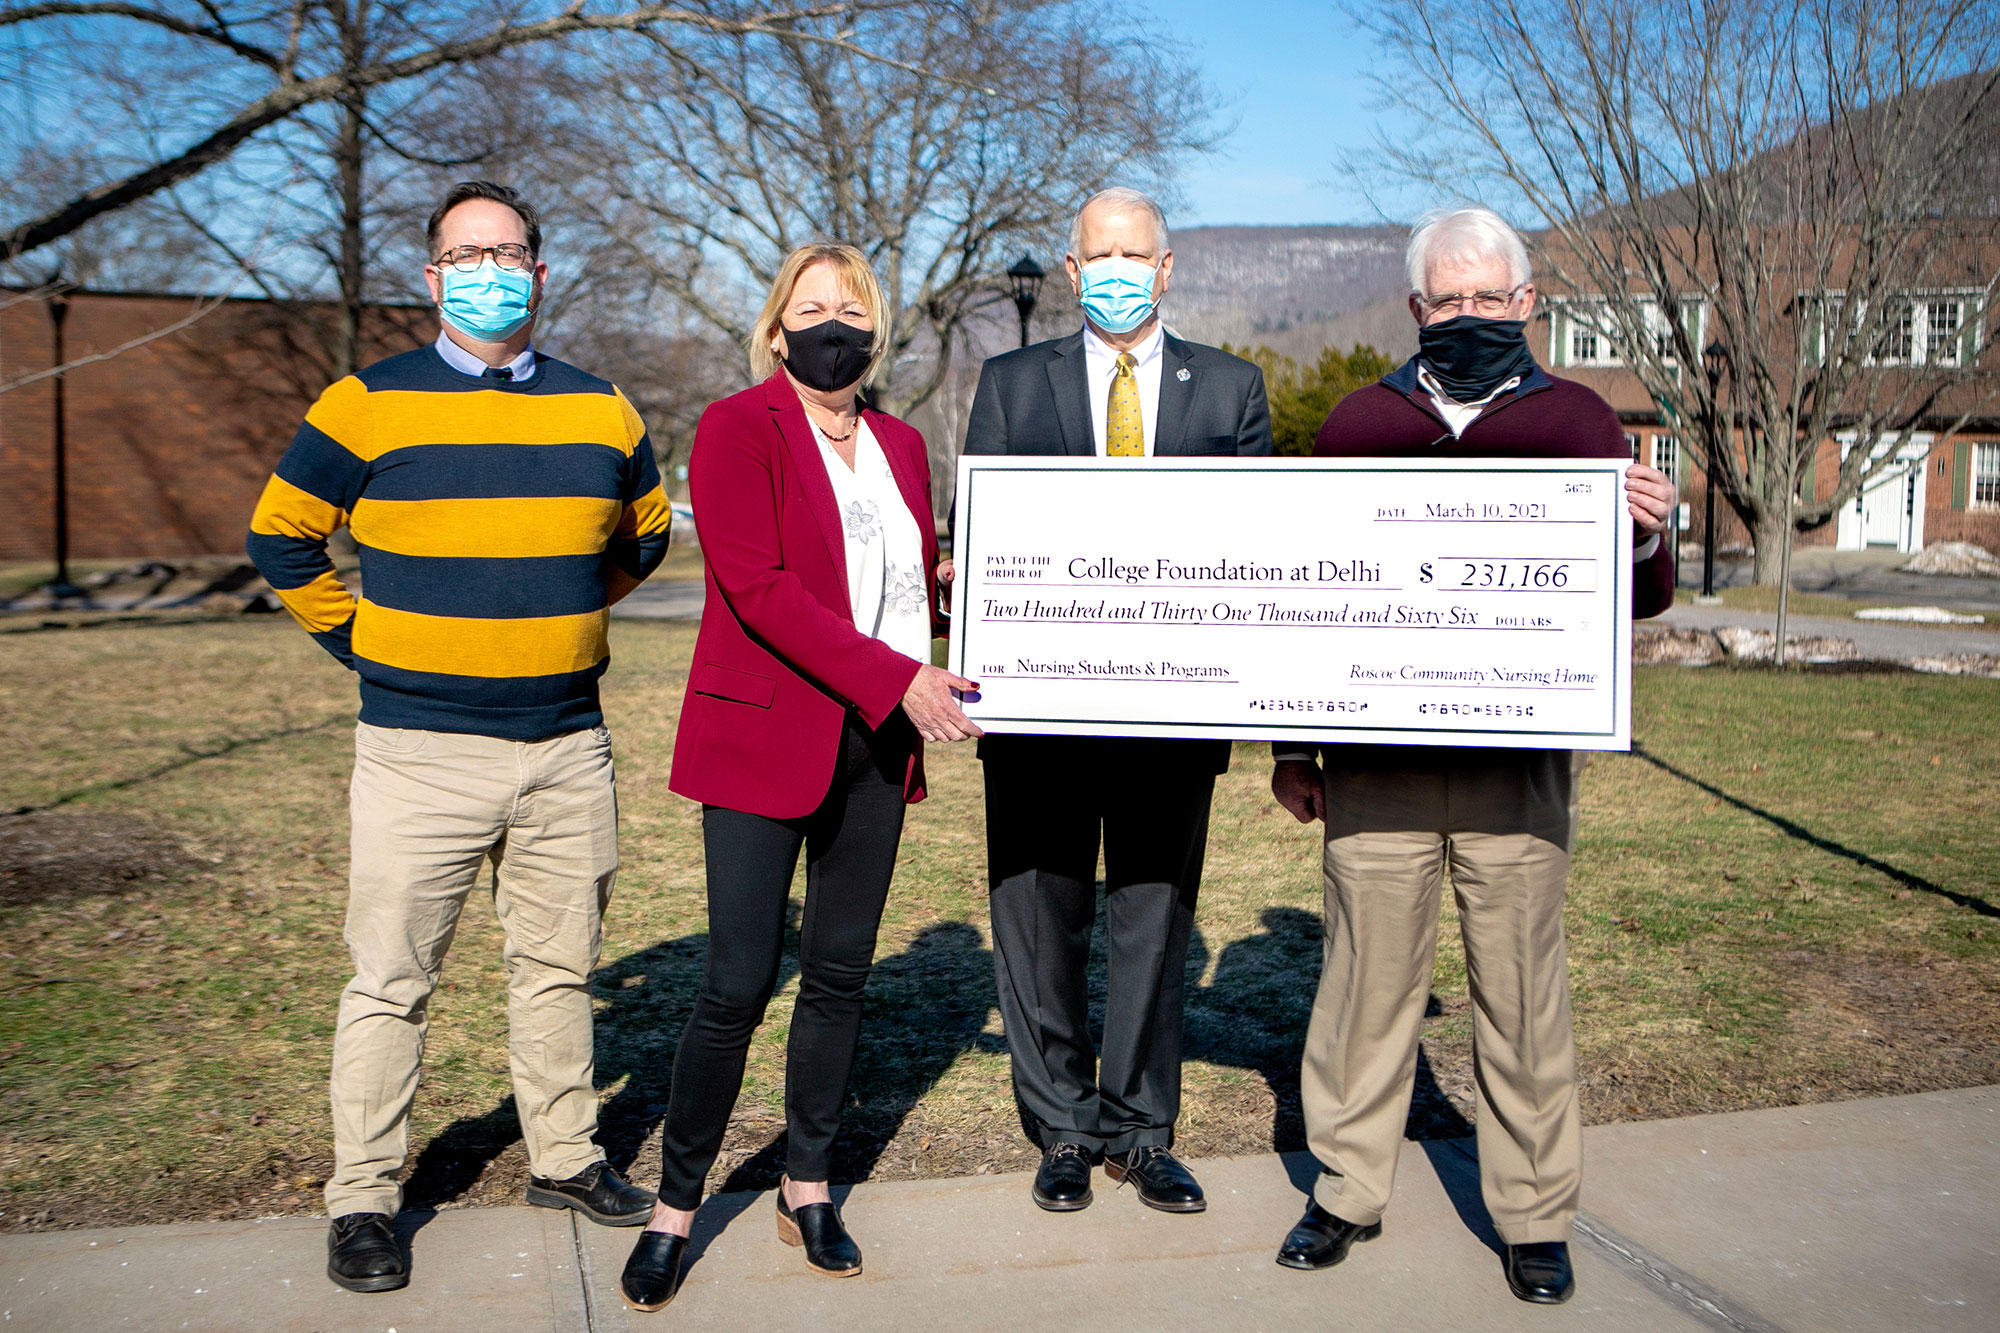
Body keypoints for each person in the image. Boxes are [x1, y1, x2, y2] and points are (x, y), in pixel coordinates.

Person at [246, 181, 673, 1294]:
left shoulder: (604, 410)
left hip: (565, 747)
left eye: (509, 251)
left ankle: (568, 1157)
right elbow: (281, 536)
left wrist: (555, 618)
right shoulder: (363, 404)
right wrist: (370, 642)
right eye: (464, 252)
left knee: (557, 968)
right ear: (431, 277)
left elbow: (644, 541)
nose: (489, 268)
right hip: (416, 751)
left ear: (539, 270)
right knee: (390, 980)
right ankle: (363, 1198)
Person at [1267, 205, 1678, 1304]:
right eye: (1445, 299)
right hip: (1377, 765)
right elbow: (1302, 604)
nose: (1465, 314)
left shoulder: (1583, 424)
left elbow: (1630, 603)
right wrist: (1293, 749)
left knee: (1519, 994)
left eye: (1486, 298)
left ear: (1525, 303)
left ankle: (1533, 1214)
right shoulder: (1356, 425)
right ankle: (1345, 1188)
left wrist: (1645, 529)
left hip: (1518, 767)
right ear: (1414, 308)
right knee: (1361, 987)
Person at [617, 242, 979, 1313]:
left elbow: (895, 584)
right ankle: (675, 1205)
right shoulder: (736, 428)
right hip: (763, 739)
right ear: (776, 330)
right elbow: (761, 588)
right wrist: (897, 675)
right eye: (811, 308)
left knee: (838, 974)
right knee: (735, 981)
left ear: (875, 332)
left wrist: (956, 595)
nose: (834, 325)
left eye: (852, 309)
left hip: (875, 748)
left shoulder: (904, 446)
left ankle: (806, 1184)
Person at [952, 187, 1273, 1216]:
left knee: (1153, 920)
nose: (1118, 268)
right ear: (1073, 267)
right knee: (1036, 922)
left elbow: (1257, 553)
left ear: (1166, 267)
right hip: (1039, 716)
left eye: (1136, 252)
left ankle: (1139, 1127)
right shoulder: (1008, 384)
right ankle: (1058, 1126)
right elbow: (982, 535)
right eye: (1100, 254)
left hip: (1171, 720)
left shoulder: (1228, 390)